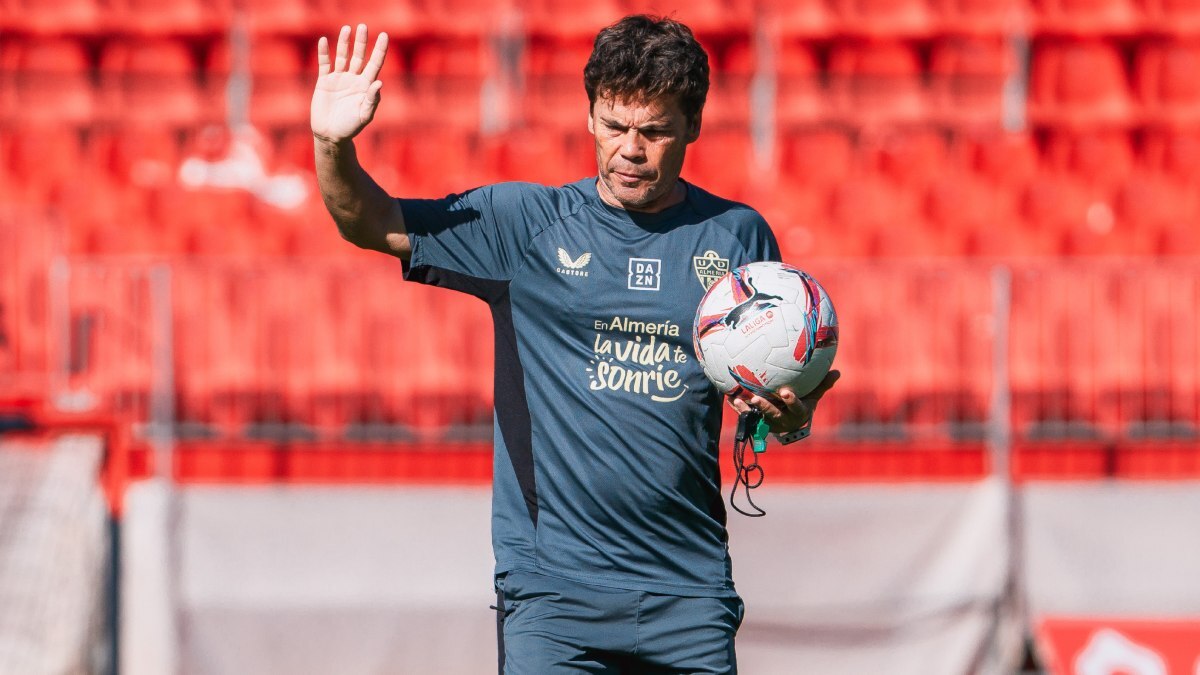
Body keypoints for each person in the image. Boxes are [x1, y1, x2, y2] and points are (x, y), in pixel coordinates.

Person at [311, 15, 840, 673]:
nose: (629, 149)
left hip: (688, 596)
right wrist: (332, 146)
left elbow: (767, 392)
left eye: (653, 132)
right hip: (554, 600)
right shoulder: (524, 226)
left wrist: (790, 418)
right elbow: (372, 222)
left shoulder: (737, 239)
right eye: (614, 126)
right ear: (589, 117)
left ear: (694, 127)